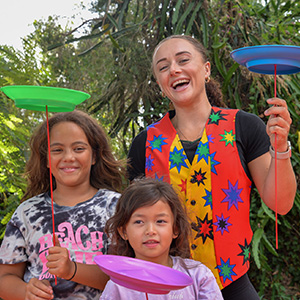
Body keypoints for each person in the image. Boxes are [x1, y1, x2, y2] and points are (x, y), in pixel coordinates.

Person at [127, 35, 297, 300]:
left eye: (183, 60)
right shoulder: (144, 144)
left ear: (206, 70)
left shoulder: (245, 126)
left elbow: (281, 203)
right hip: (167, 287)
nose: (174, 69)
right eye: (163, 67)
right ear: (161, 85)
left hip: (232, 284)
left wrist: (280, 148)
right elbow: (134, 223)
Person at [0, 110, 126, 300]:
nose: (68, 157)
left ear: (94, 157)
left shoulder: (115, 207)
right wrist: (25, 291)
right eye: (57, 150)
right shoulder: (27, 213)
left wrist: (72, 269)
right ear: (46, 160)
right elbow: (5, 278)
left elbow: (123, 279)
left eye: (79, 149)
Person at [100, 177, 223, 299]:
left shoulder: (198, 276)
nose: (150, 231)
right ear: (123, 232)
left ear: (175, 229)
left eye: (160, 221)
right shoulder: (118, 285)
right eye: (139, 222)